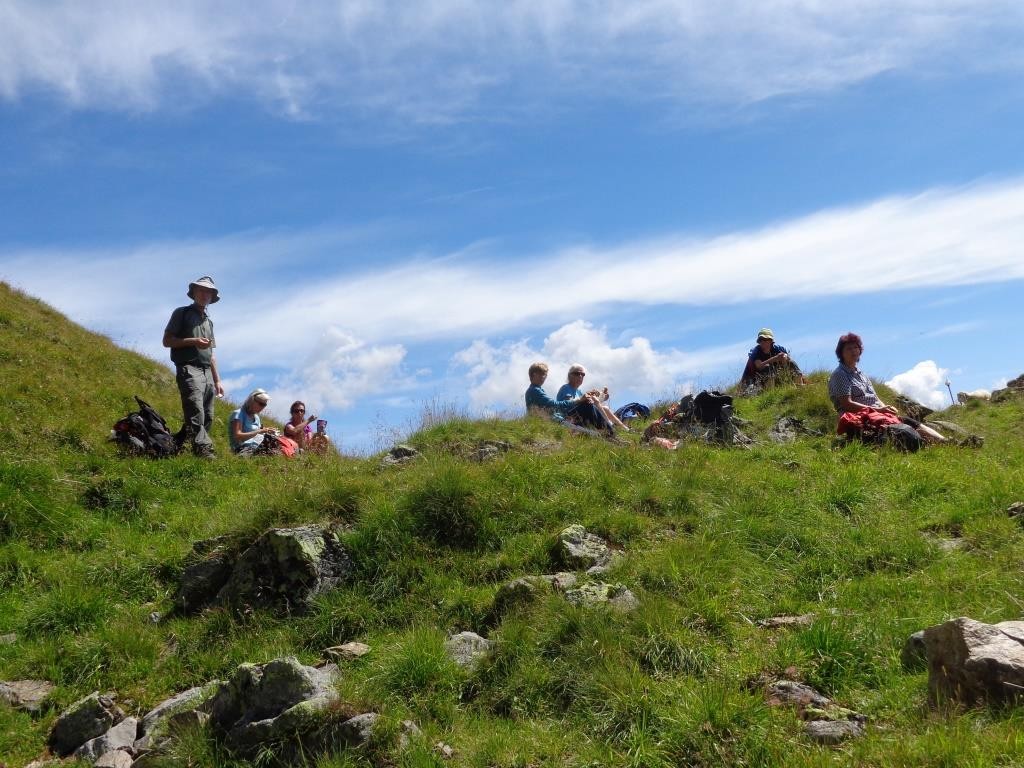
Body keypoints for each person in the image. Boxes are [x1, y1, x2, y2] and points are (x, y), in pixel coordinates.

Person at [828, 332, 946, 444]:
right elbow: (847, 404)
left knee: (908, 421)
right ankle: (931, 442)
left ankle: (946, 441)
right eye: (848, 348)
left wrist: (885, 408)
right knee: (902, 428)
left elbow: (875, 397)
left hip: (877, 414)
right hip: (860, 417)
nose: (853, 351)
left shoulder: (862, 375)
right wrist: (878, 410)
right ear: (841, 353)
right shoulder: (840, 374)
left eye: (855, 347)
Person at [162, 276, 224, 458]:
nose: (206, 294)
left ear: (212, 297)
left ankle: (176, 444)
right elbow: (167, 341)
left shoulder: (208, 322)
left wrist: (218, 379)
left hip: (207, 372)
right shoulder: (181, 313)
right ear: (194, 293)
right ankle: (203, 450)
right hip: (189, 367)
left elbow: (211, 354)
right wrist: (193, 341)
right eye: (202, 290)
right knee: (195, 410)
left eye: (209, 292)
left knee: (208, 415)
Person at [525, 362, 614, 435]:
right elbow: (554, 404)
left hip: (560, 420)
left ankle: (608, 431)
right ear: (533, 374)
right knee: (591, 426)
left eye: (545, 374)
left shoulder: (537, 390)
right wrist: (579, 400)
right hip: (558, 421)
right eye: (541, 374)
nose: (543, 377)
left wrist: (601, 397)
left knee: (589, 408)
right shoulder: (535, 390)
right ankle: (610, 432)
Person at [556, 364, 630, 430]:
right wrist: (589, 398)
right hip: (568, 416)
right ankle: (608, 425)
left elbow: (592, 405)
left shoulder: (578, 391)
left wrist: (603, 397)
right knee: (593, 399)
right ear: (570, 375)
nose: (580, 376)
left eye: (582, 374)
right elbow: (569, 404)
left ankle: (624, 428)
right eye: (577, 373)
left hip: (579, 414)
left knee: (605, 408)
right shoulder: (566, 388)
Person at [740, 328, 806, 390]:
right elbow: (759, 366)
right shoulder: (756, 351)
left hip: (778, 375)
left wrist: (785, 357)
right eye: (760, 340)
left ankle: (800, 386)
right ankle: (770, 392)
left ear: (771, 340)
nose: (762, 341)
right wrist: (775, 358)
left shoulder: (778, 349)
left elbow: (788, 360)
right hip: (756, 380)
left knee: (791, 363)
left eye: (765, 339)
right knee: (767, 367)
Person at [229, 388, 274, 455]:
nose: (263, 407)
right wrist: (259, 431)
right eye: (261, 404)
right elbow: (237, 436)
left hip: (256, 447)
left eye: (265, 405)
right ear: (252, 401)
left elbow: (258, 435)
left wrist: (266, 431)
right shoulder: (239, 414)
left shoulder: (257, 417)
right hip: (242, 449)